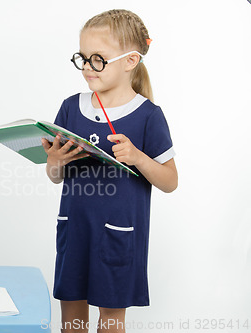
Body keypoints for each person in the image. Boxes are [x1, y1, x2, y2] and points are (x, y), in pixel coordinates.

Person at [41, 9, 178, 333]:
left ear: (130, 60)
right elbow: (55, 176)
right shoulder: (71, 106)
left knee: (111, 321)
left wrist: (138, 157)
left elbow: (170, 181)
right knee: (72, 320)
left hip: (118, 234)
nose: (88, 68)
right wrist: (54, 163)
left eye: (98, 59)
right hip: (75, 229)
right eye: (83, 58)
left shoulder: (147, 116)